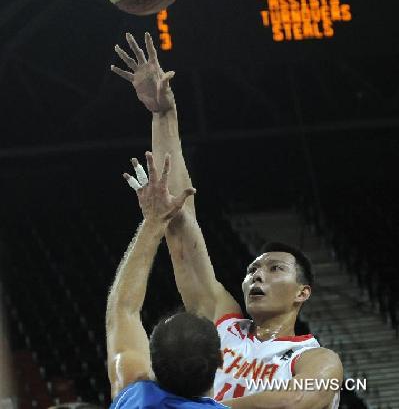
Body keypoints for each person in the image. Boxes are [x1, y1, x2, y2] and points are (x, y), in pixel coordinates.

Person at [112, 33, 343, 409]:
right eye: (253, 269)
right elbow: (180, 224)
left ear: (303, 292)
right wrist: (162, 114)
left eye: (275, 269)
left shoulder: (317, 359)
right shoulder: (222, 321)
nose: (257, 275)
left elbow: (298, 401)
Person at [106, 150, 227, 409]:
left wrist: (153, 221)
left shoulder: (133, 396)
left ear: (150, 362)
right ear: (220, 360)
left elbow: (123, 308)